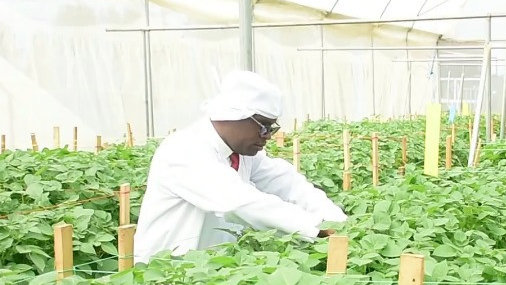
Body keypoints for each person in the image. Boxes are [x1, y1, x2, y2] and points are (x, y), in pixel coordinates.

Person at [134, 70, 347, 264]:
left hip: (212, 275)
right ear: (233, 117)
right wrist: (314, 230)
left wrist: (338, 221)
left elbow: (286, 182)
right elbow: (240, 202)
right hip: (167, 278)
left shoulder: (242, 153)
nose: (268, 136)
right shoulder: (186, 149)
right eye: (264, 126)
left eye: (272, 127)